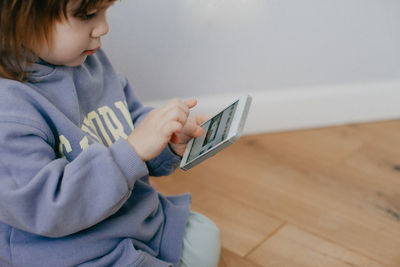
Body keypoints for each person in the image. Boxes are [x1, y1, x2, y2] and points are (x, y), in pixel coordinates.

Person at [0, 0, 221, 266]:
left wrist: (167, 140)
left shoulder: (89, 60)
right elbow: (48, 207)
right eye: (88, 15)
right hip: (72, 249)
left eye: (106, 12)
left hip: (127, 216)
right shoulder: (10, 110)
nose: (103, 27)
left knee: (206, 235)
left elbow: (131, 124)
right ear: (18, 20)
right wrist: (132, 150)